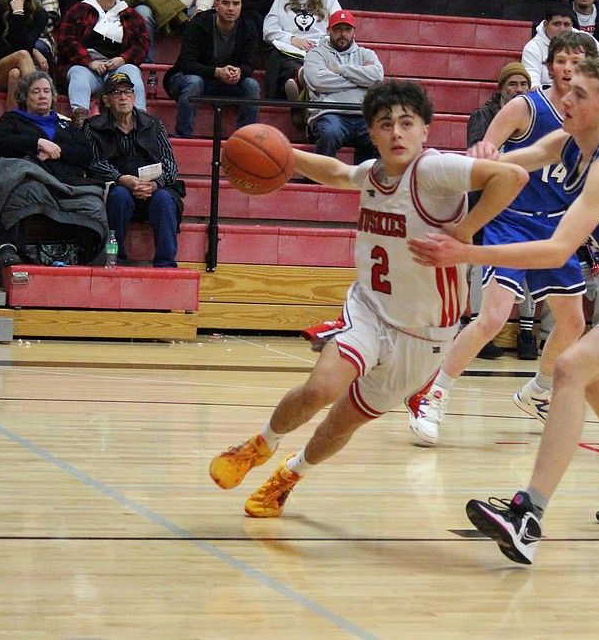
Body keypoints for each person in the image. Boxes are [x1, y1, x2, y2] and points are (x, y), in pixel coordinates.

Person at [410, 57, 599, 565]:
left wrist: (466, 251)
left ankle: (528, 514)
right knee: (597, 386)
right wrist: (470, 159)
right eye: (566, 89)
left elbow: (554, 250)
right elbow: (512, 163)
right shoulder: (569, 144)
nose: (565, 99)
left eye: (580, 95)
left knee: (569, 367)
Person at [207, 80, 528, 518]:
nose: (396, 133)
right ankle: (259, 443)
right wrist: (280, 150)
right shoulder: (375, 174)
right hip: (369, 309)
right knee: (321, 387)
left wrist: (468, 229)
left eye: (406, 124)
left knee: (343, 423)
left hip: (425, 334)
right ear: (372, 134)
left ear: (424, 131)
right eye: (385, 125)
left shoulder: (436, 170)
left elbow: (512, 176)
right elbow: (337, 173)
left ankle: (290, 475)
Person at [406, 32, 596, 448]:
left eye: (577, 61)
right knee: (492, 318)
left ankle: (539, 391)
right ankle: (432, 395)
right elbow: (486, 153)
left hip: (555, 226)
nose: (568, 68)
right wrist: (483, 157)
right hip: (509, 221)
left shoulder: (589, 118)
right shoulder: (525, 106)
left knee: (573, 322)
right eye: (561, 60)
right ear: (549, 67)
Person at [0, 70, 104, 268]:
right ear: (25, 97)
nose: (42, 96)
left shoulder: (65, 123)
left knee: (94, 202)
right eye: (36, 92)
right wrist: (37, 143)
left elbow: (86, 155)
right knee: (20, 186)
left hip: (64, 185)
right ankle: (7, 245)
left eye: (46, 91)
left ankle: (91, 256)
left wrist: (57, 150)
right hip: (30, 182)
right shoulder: (12, 119)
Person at [467, 62, 533, 360]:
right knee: (483, 265)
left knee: (525, 263)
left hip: (523, 200)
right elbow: (481, 158)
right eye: (512, 84)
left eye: (523, 84)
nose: (518, 89)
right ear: (502, 89)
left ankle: (527, 331)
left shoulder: (535, 117)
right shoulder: (482, 116)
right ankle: (478, 329)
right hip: (487, 198)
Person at [86, 72, 186, 267]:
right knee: (119, 197)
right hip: (117, 187)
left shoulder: (154, 124)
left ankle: (166, 264)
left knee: (165, 199)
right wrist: (122, 178)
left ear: (134, 96)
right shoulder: (93, 127)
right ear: (106, 99)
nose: (123, 97)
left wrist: (155, 185)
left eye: (128, 92)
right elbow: (93, 162)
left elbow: (170, 165)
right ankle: (116, 259)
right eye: (117, 93)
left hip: (153, 188)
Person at [163, 0, 260, 138]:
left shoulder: (248, 27)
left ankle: (246, 139)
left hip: (224, 83)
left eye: (236, 4)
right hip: (187, 78)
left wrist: (239, 72)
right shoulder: (199, 23)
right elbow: (186, 63)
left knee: (252, 85)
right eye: (225, 3)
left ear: (241, 6)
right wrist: (217, 72)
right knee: (194, 82)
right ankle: (183, 137)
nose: (231, 8)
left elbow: (249, 64)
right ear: (216, 5)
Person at [55, 0, 148, 122]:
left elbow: (142, 44)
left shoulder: (131, 14)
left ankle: (141, 120)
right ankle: (80, 120)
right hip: (86, 67)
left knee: (132, 70)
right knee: (77, 73)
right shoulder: (78, 10)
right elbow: (66, 41)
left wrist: (123, 59)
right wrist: (90, 62)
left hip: (117, 68)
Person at [302, 10, 385, 162]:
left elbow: (377, 77)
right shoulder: (315, 54)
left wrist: (341, 70)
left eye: (347, 29)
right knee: (329, 133)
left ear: (354, 32)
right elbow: (318, 82)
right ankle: (317, 183)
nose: (343, 34)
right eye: (338, 29)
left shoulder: (366, 54)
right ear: (329, 31)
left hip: (363, 115)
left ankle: (370, 184)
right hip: (330, 114)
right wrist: (360, 81)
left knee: (383, 137)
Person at [262, 0, 341, 100]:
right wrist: (292, 39)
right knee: (285, 65)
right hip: (289, 52)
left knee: (321, 65)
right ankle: (301, 76)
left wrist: (320, 45)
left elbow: (339, 30)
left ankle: (299, 84)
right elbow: (268, 31)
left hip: (320, 50)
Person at [522, 5, 575, 88]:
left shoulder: (583, 40)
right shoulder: (533, 48)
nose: (562, 29)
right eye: (557, 24)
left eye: (566, 25)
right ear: (545, 24)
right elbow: (532, 84)